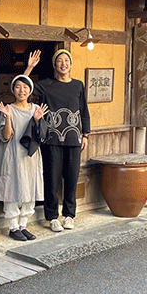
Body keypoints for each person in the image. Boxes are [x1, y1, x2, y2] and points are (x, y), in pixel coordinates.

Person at [24, 49, 90, 232]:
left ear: (70, 64)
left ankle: (69, 216)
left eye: (66, 60)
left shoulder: (78, 85)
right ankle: (52, 217)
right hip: (51, 139)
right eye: (59, 60)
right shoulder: (46, 85)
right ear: (55, 65)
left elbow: (84, 110)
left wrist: (85, 135)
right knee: (51, 179)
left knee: (71, 178)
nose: (63, 63)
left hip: (74, 138)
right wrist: (29, 68)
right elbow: (24, 88)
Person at [0, 76, 48, 241]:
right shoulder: (8, 109)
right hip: (12, 154)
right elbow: (5, 136)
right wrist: (8, 117)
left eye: (25, 87)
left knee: (29, 189)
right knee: (12, 188)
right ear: (13, 90)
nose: (21, 90)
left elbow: (43, 136)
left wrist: (38, 121)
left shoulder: (36, 109)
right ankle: (13, 227)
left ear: (30, 90)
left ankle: (23, 225)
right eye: (17, 87)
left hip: (30, 156)